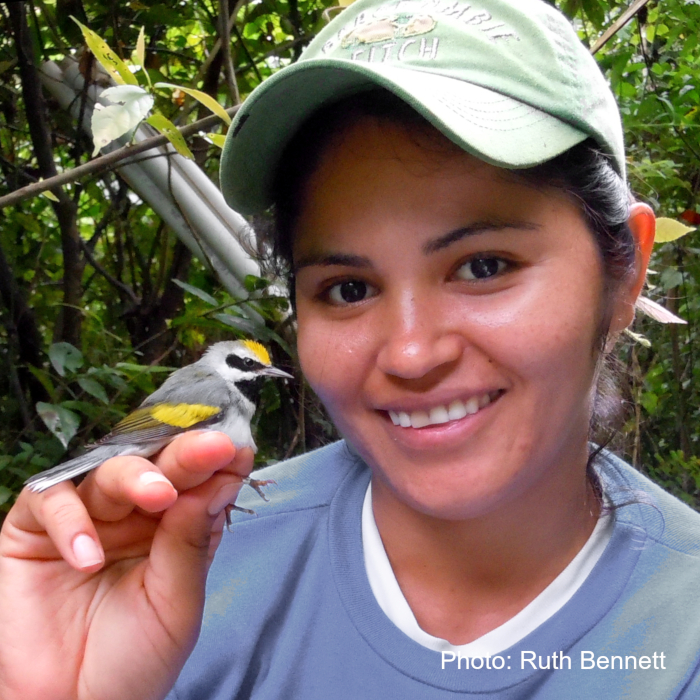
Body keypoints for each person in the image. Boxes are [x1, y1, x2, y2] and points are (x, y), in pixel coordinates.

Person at [2, 0, 700, 697]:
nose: (412, 353)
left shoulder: (680, 634)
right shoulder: (173, 571)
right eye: (346, 288)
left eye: (483, 266)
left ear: (625, 275)